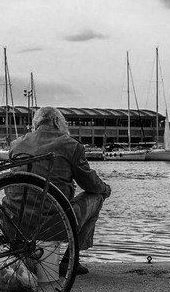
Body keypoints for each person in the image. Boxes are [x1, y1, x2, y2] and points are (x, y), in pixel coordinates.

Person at [9, 106, 112, 275]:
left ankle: (22, 255)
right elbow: (90, 184)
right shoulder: (71, 145)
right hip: (55, 223)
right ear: (57, 121)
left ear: (36, 124)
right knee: (97, 196)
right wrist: (105, 189)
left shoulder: (16, 145)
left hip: (15, 222)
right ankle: (70, 259)